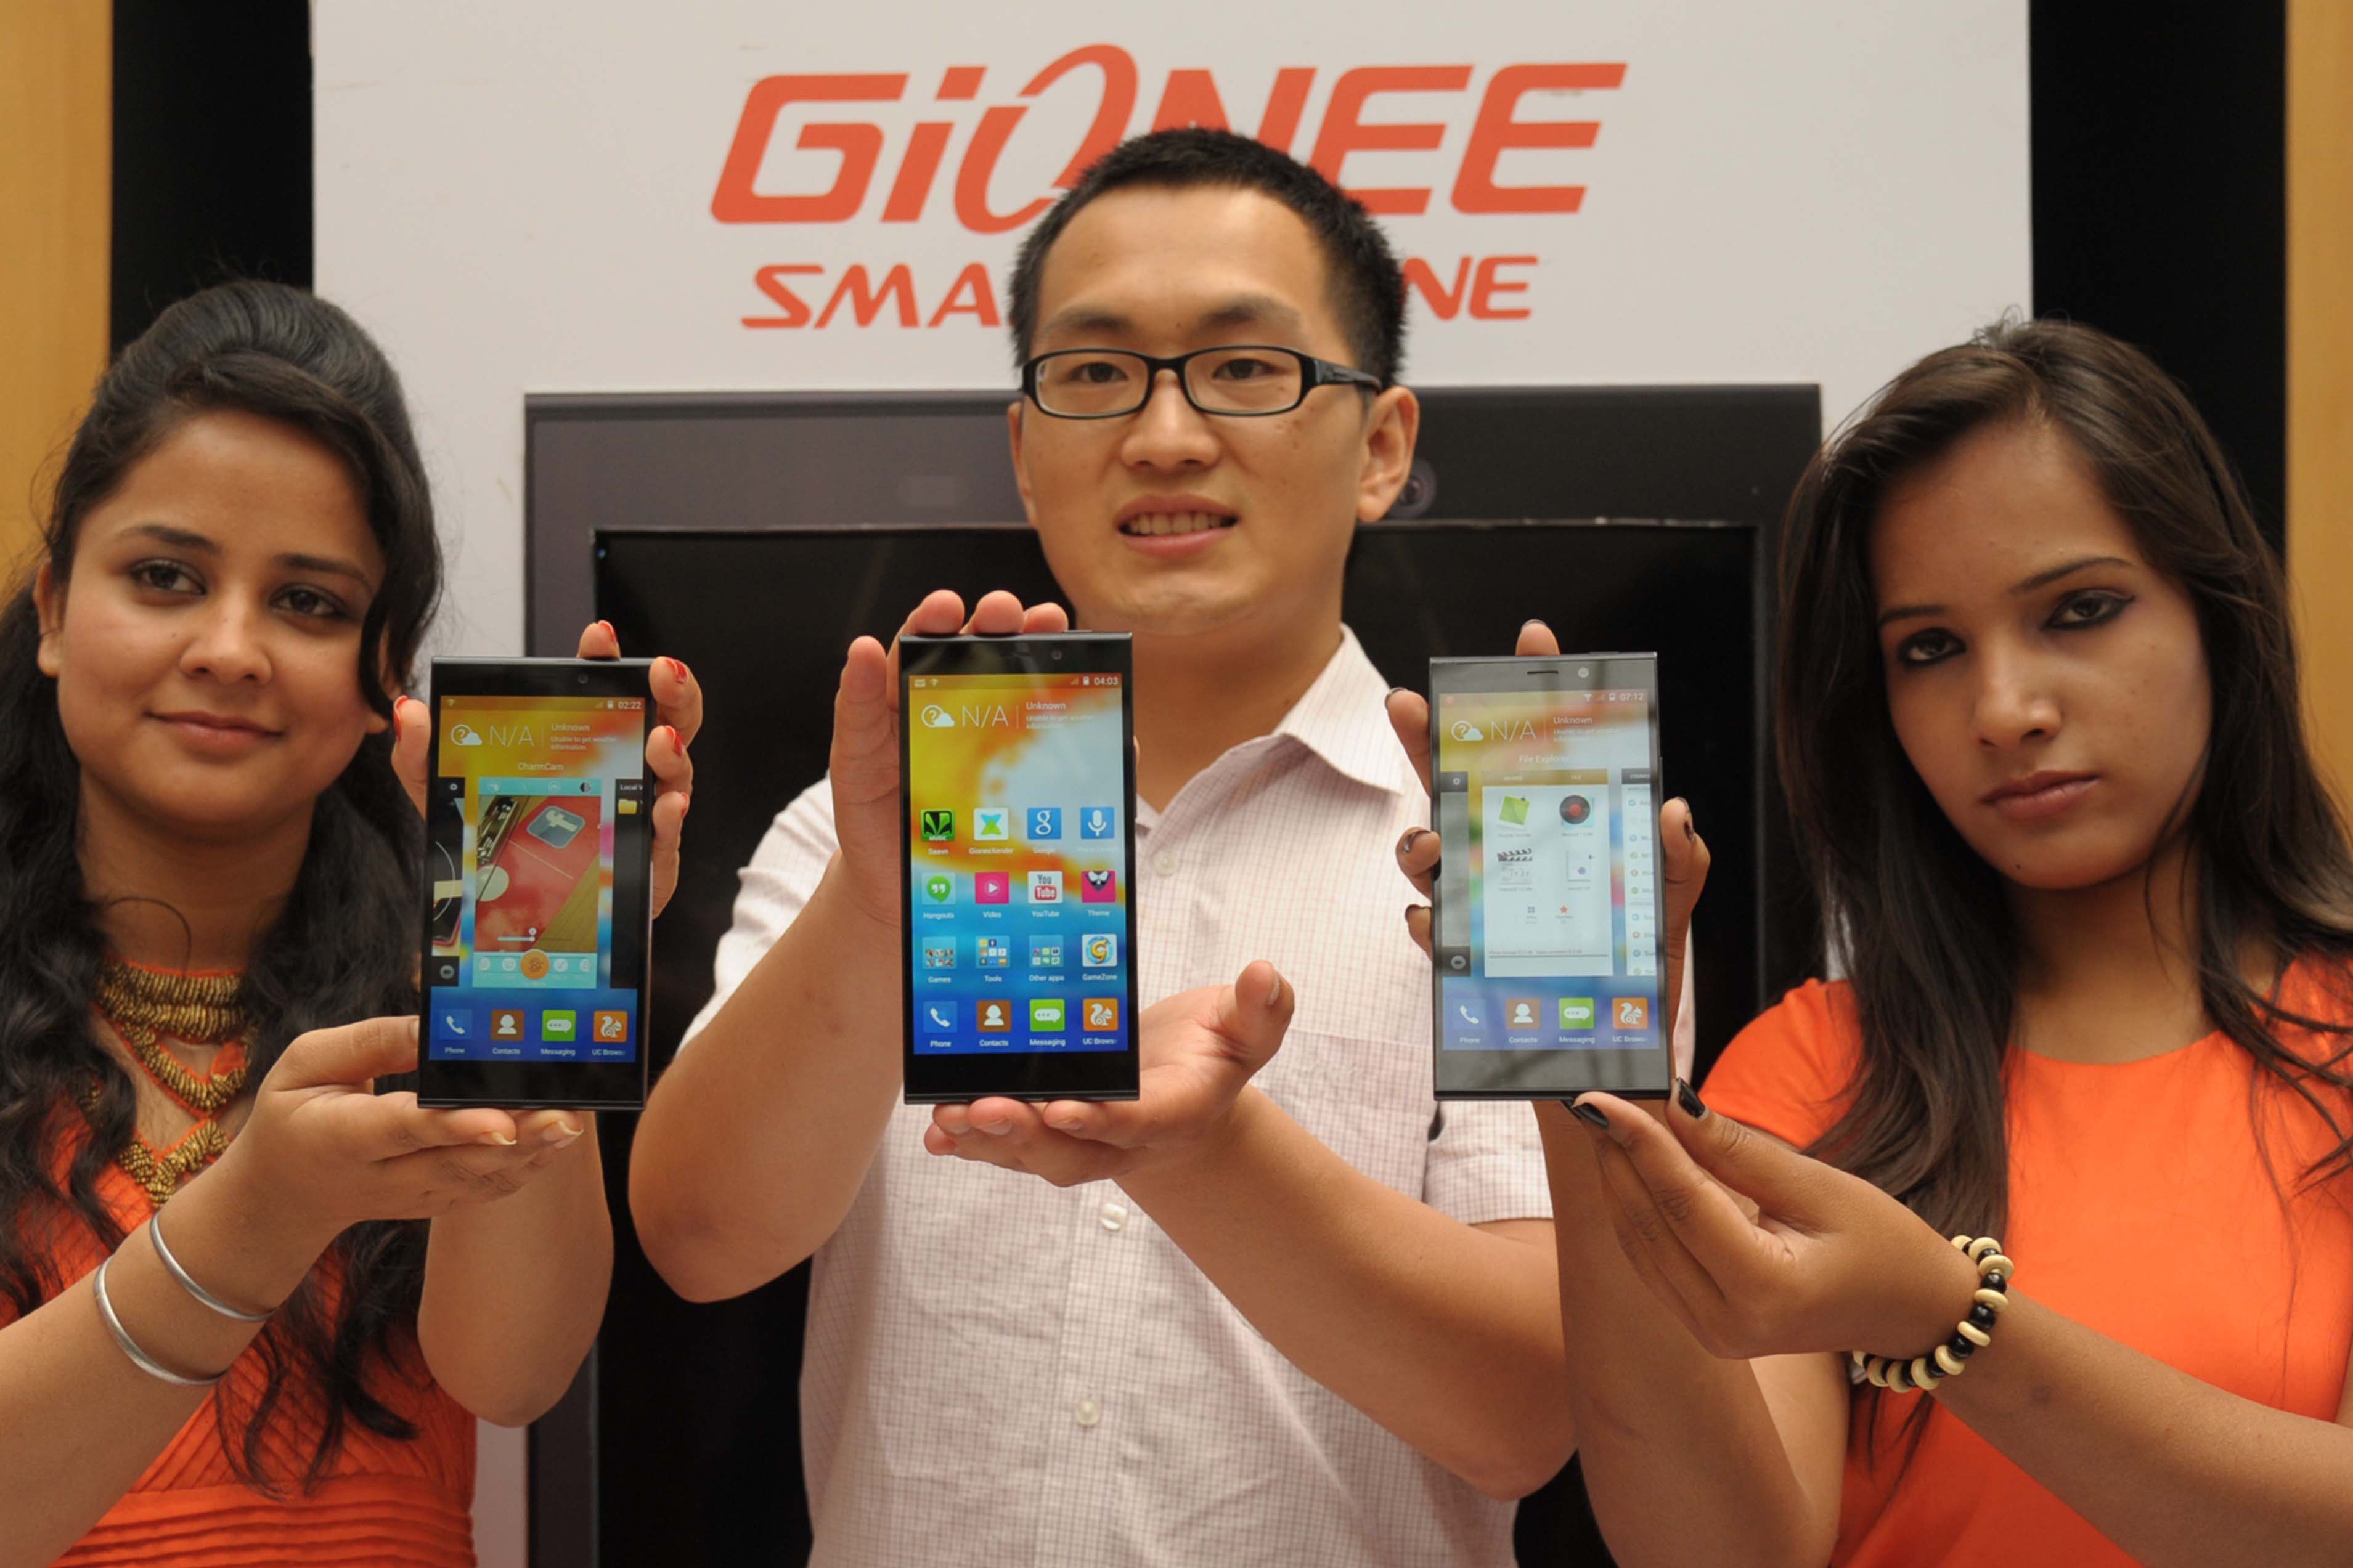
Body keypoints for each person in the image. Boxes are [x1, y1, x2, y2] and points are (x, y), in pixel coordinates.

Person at [630, 129, 1599, 1564]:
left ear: (1383, 446)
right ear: (1026, 454)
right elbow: (701, 1241)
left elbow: (1538, 1407)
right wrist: (878, 906)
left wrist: (1210, 1154)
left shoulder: (1535, 820)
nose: (1164, 435)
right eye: (1092, 374)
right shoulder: (859, 824)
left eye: (1245, 367)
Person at [1391, 318, 2353, 1564]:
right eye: (1929, 648)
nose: (2005, 709)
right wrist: (1581, 1078)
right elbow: (1718, 1555)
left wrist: (1951, 1322)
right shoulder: (1813, 1070)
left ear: (2218, 616)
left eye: (2079, 610)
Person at [0, 280, 699, 1565]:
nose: (230, 648)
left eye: (309, 603)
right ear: (52, 607)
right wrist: (254, 1217)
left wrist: (539, 973)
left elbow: (513, 1369)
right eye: (165, 577)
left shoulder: (437, 984)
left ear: (386, 671)